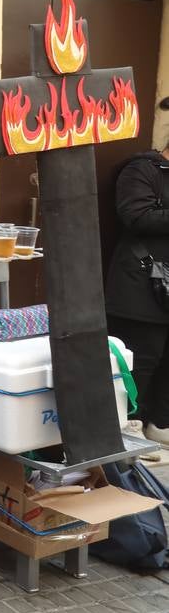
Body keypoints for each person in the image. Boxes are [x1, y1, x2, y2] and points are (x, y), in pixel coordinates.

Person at [106, 143, 169, 444]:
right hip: (142, 285)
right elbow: (137, 216)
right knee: (141, 360)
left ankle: (160, 424)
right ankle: (130, 428)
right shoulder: (142, 169)